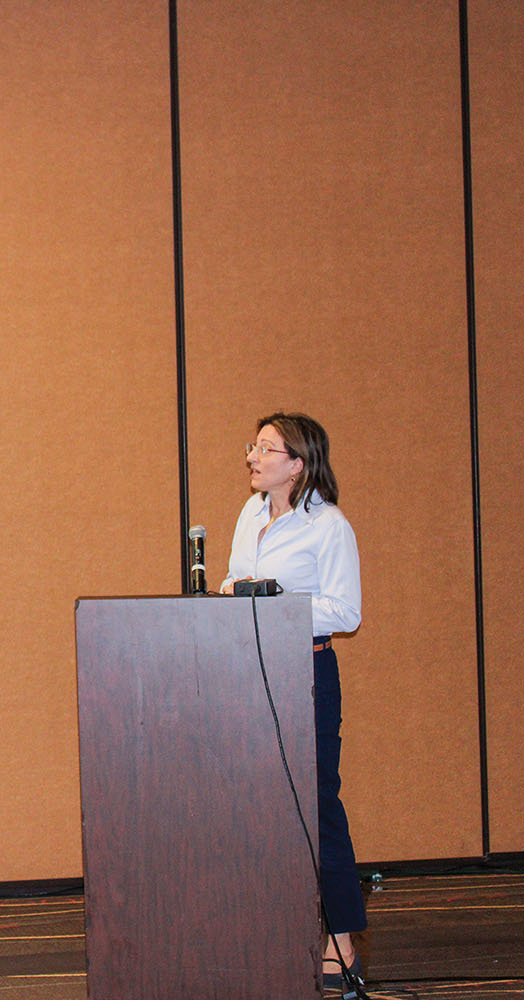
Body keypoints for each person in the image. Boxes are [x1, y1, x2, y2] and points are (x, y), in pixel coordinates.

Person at [219, 411, 364, 988]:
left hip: (306, 671)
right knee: (259, 807)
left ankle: (342, 941)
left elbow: (347, 612)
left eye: (265, 448)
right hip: (252, 674)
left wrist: (279, 602)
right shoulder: (250, 513)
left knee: (317, 806)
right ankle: (273, 930)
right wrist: (238, 592)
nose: (252, 456)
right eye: (252, 446)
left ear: (298, 464)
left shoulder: (328, 526)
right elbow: (234, 581)